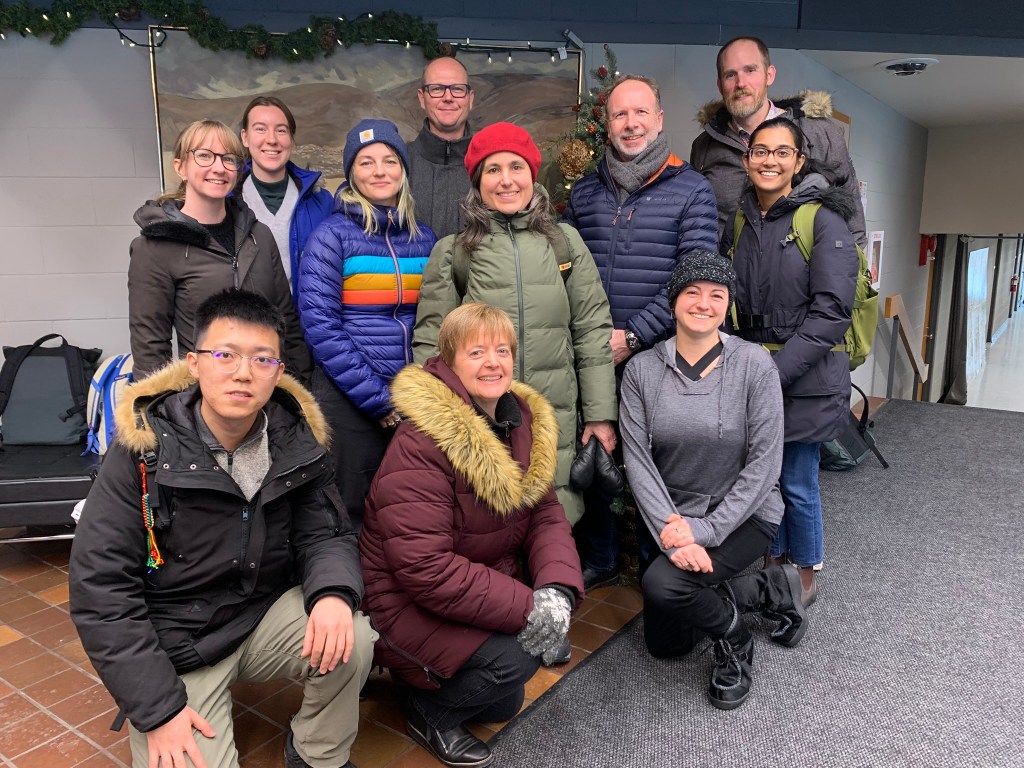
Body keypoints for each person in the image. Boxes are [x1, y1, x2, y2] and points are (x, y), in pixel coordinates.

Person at [69, 289, 375, 768]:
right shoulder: (143, 452)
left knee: (353, 635)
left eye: (262, 359)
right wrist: (157, 710)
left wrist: (334, 593)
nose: (243, 372)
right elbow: (101, 593)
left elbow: (326, 534)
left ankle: (317, 752)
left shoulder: (295, 441)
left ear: (278, 371)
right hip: (177, 640)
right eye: (225, 355)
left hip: (259, 614)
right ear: (194, 363)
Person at [362, 302, 584, 768]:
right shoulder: (422, 440)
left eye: (502, 350)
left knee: (504, 700)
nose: (493, 362)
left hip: (470, 583)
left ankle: (435, 681)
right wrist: (528, 606)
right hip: (402, 599)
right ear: (448, 362)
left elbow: (544, 515)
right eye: (476, 351)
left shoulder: (518, 418)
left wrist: (556, 588)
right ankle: (428, 713)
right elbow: (425, 567)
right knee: (519, 659)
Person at [620, 250, 808, 710]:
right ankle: (768, 588)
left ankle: (735, 639)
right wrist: (674, 532)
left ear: (727, 305)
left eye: (716, 295)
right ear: (673, 302)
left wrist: (706, 531)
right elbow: (638, 462)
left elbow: (765, 464)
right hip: (674, 519)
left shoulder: (754, 365)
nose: (703, 303)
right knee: (667, 646)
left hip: (744, 515)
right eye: (692, 292)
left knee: (666, 586)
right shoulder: (642, 371)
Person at [413, 121, 617, 526]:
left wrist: (598, 415)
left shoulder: (565, 244)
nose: (506, 181)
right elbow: (432, 345)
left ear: (532, 174)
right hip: (478, 421)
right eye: (493, 170)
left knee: (552, 531)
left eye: (516, 167)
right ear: (477, 181)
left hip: (552, 418)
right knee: (482, 526)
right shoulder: (454, 253)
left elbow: (592, 332)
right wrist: (438, 423)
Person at [563, 74, 719, 589]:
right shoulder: (585, 193)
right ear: (606, 125)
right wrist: (593, 340)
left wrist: (632, 336)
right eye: (618, 114)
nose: (630, 124)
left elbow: (694, 274)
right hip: (594, 353)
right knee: (599, 450)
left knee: (658, 463)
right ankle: (603, 555)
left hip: (660, 353)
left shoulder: (692, 188)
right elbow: (563, 267)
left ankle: (659, 563)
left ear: (658, 119)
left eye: (640, 113)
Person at [721, 116, 860, 606]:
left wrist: (771, 373)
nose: (770, 161)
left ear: (799, 162)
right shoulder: (742, 220)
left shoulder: (822, 220)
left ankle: (805, 573)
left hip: (806, 376)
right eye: (761, 151)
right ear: (747, 158)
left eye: (782, 152)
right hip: (759, 371)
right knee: (765, 478)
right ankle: (774, 562)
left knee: (797, 480)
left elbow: (831, 313)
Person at [298, 119, 436, 529]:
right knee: (350, 508)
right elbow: (321, 327)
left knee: (405, 505)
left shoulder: (424, 238)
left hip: (409, 398)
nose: (380, 171)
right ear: (352, 173)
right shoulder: (331, 236)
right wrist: (376, 397)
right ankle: (351, 591)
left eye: (390, 160)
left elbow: (433, 319)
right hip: (350, 399)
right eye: (366, 162)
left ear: (403, 169)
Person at [129, 119, 311, 381]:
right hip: (201, 401)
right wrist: (164, 412)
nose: (219, 167)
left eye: (228, 159)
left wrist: (299, 395)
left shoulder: (259, 236)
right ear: (180, 167)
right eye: (204, 155)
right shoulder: (155, 247)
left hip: (266, 394)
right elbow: (151, 349)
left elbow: (287, 325)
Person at [690, 35, 866, 245]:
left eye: (750, 70)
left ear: (769, 75)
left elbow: (853, 227)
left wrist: (847, 276)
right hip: (729, 275)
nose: (741, 83)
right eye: (730, 75)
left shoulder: (820, 133)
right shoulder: (704, 145)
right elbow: (701, 224)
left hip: (804, 276)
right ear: (720, 85)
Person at [237, 95, 334, 299]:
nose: (271, 139)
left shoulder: (321, 202)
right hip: (246, 324)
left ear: (291, 138)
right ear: (245, 137)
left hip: (305, 324)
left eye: (281, 130)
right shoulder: (228, 201)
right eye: (260, 129)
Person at [407, 56, 475, 238]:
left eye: (457, 89)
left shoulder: (489, 166)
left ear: (470, 98)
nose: (447, 97)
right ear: (422, 98)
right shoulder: (399, 163)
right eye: (437, 89)